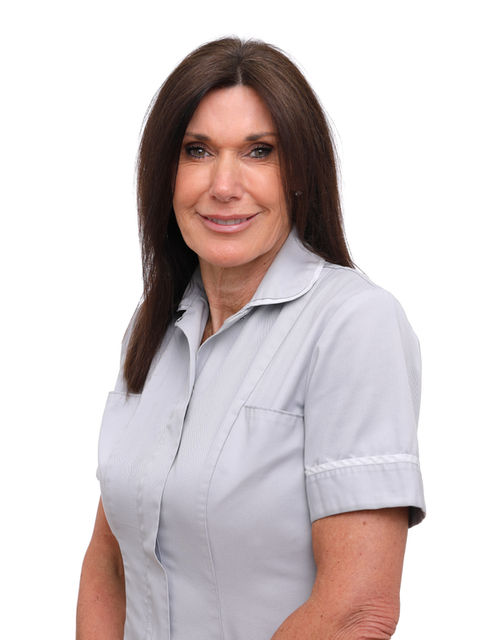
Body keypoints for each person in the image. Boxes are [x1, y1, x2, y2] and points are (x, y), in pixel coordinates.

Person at [76, 37, 426, 640]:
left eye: (259, 151)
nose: (224, 185)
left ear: (301, 173)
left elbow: (357, 609)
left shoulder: (353, 324)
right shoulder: (153, 327)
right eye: (197, 151)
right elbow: (111, 561)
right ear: (165, 174)